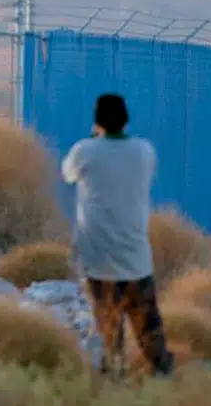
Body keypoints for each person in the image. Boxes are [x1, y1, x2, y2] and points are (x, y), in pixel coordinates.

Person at [60, 92, 173, 377]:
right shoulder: (144, 152)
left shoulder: (84, 151)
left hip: (98, 260)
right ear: (126, 119)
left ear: (97, 121)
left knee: (110, 335)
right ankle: (166, 381)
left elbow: (68, 174)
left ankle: (116, 388)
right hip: (135, 259)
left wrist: (94, 139)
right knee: (150, 333)